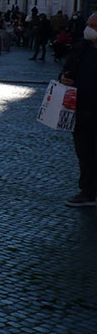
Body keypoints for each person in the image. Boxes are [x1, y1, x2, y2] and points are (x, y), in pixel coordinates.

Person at [61, 13, 97, 207]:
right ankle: (87, 191)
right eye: (88, 24)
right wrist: (64, 78)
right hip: (82, 109)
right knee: (84, 151)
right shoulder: (81, 48)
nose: (88, 29)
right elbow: (67, 70)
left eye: (93, 26)